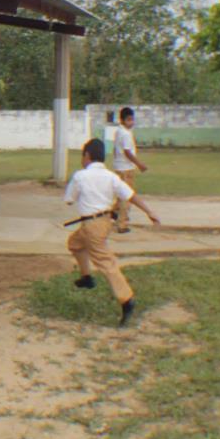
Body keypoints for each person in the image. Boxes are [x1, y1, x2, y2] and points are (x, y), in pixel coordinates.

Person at [65, 138, 161, 326]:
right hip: (103, 222)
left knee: (105, 262)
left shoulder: (80, 176)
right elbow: (131, 195)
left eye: (82, 156)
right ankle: (86, 277)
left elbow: (69, 199)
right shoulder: (111, 177)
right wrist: (149, 211)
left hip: (92, 226)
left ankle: (127, 299)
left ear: (87, 156)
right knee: (74, 244)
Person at [112, 107, 148, 233]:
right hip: (126, 169)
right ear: (122, 120)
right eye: (128, 120)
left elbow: (115, 150)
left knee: (119, 195)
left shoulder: (119, 132)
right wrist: (140, 164)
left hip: (118, 167)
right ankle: (122, 224)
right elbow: (128, 152)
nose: (131, 122)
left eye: (132, 119)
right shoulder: (126, 134)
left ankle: (114, 213)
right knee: (127, 197)